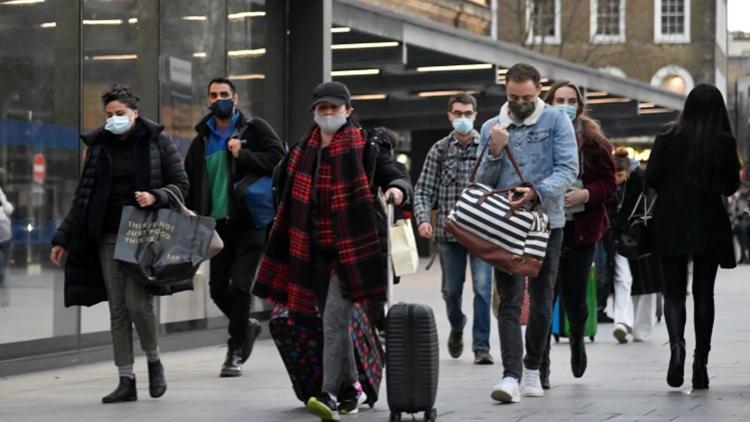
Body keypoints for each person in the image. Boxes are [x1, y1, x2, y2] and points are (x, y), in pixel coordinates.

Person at [252, 81, 411, 420]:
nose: (328, 114)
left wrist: (397, 190)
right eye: (323, 108)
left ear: (348, 111)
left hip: (351, 251)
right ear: (314, 111)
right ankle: (353, 387)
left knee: (335, 322)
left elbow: (394, 174)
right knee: (328, 320)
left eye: (335, 109)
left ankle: (328, 394)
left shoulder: (365, 146)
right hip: (310, 251)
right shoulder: (300, 152)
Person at [49, 84, 189, 403]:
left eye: (120, 114)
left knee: (138, 304)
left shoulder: (156, 141)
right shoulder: (99, 146)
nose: (114, 120)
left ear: (135, 114)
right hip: (108, 236)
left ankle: (154, 361)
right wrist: (63, 238)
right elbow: (82, 197)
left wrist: (156, 196)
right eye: (109, 115)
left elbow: (182, 183)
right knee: (118, 309)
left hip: (142, 234)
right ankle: (126, 379)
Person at [477, 63, 578, 402]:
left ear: (539, 89)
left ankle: (533, 368)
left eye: (527, 96)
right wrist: (494, 150)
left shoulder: (556, 120)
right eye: (512, 97)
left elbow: (568, 169)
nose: (519, 102)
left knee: (541, 298)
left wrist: (535, 191)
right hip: (505, 225)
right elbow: (480, 183)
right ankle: (510, 375)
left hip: (548, 222)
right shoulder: (492, 126)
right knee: (509, 300)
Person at [184, 77, 285, 377]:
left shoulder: (255, 130)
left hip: (250, 220)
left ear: (236, 98)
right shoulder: (202, 139)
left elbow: (279, 159)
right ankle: (247, 325)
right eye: (213, 95)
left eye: (224, 94)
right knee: (217, 290)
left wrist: (243, 154)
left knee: (240, 286)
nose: (219, 99)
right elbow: (190, 182)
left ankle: (235, 351)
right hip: (217, 225)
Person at [646, 83, 741, 390]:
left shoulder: (666, 135)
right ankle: (701, 363)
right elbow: (730, 187)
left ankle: (677, 348)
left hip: (671, 219)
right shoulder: (725, 142)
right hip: (709, 220)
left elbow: (653, 178)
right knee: (704, 293)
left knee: (673, 293)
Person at [541, 80, 616, 385]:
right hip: (545, 227)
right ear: (548, 102)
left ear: (580, 105)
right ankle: (539, 360)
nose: (565, 105)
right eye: (559, 99)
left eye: (571, 100)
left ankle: (576, 339)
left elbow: (610, 184)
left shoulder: (594, 143)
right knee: (545, 296)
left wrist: (586, 195)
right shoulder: (539, 135)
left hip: (582, 230)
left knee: (575, 297)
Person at [413, 93, 494, 365]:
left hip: (481, 233)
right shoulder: (439, 149)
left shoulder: (487, 149)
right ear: (449, 116)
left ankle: (481, 346)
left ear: (475, 115)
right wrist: (423, 219)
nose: (463, 118)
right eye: (458, 113)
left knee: (483, 288)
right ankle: (457, 325)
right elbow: (423, 189)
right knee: (451, 290)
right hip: (449, 233)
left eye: (467, 113)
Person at [607, 148, 660, 344]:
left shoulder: (640, 181)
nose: (616, 179)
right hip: (625, 237)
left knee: (643, 283)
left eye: (619, 175)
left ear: (627, 171)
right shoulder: (619, 184)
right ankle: (627, 323)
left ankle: (637, 327)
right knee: (626, 280)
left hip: (640, 237)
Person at [0, 168, 14, 287]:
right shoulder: (2, 192)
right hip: (3, 230)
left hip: (4, 231)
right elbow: (9, 209)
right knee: (4, 259)